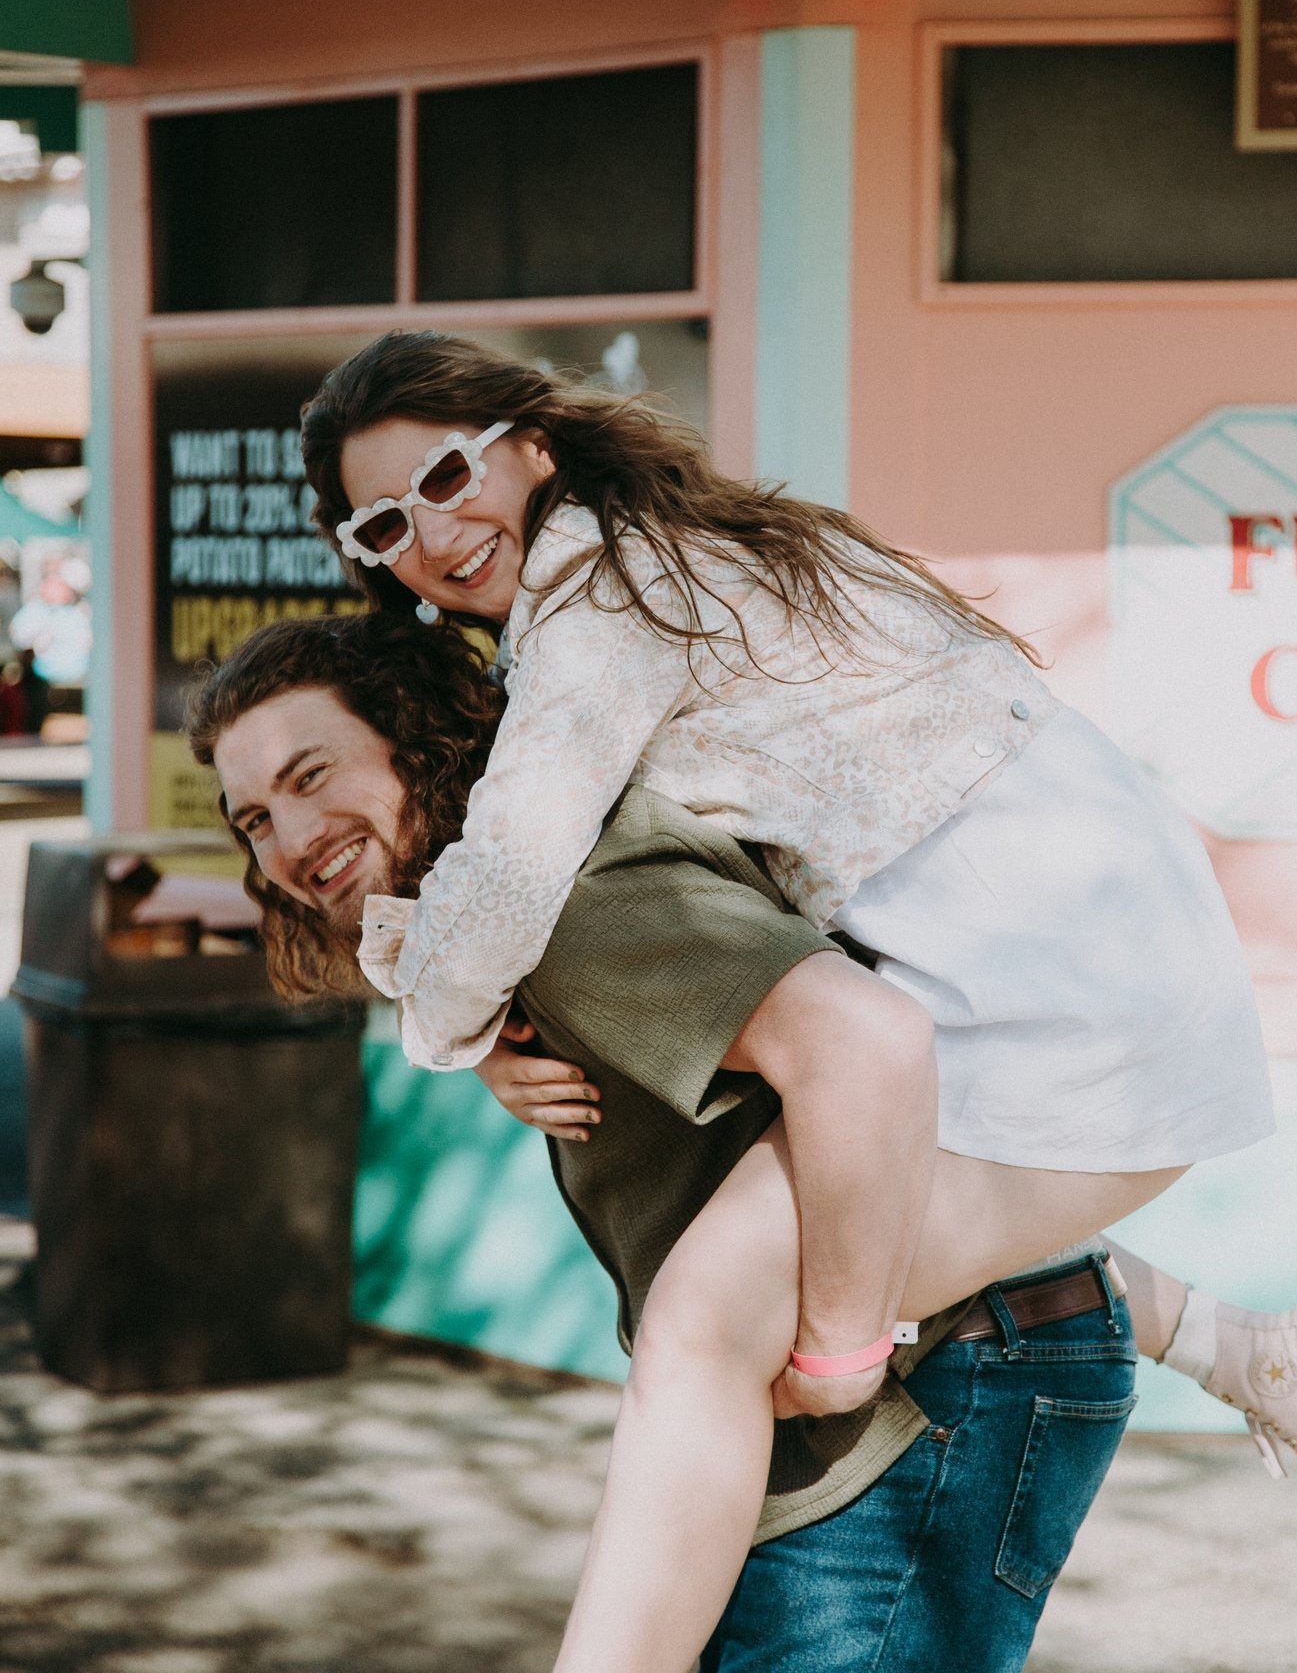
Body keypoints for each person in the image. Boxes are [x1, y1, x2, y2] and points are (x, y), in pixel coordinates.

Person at [296, 336, 1297, 1641]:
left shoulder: (601, 603)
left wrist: (440, 1026)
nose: (435, 532)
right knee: (837, 1198)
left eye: (449, 475)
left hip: (1063, 991)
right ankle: (1267, 1355)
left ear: (530, 446)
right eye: (385, 521)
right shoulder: (688, 546)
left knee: (705, 1326)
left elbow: (510, 869)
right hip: (1098, 961)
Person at [186, 611, 1143, 1673]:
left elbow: (860, 1043)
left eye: (312, 773)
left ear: (412, 736)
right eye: (255, 820)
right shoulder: (495, 924)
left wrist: (839, 1355)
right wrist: (473, 1049)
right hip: (880, 1390)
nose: (290, 835)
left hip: (921, 1388)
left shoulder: (576, 902)